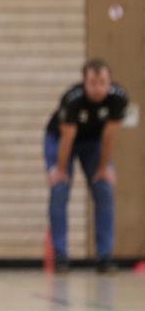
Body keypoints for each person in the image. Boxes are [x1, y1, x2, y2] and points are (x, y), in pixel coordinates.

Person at [44, 59, 128, 273]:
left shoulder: (118, 98)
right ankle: (61, 256)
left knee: (104, 188)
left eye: (103, 82)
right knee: (60, 189)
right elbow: (67, 139)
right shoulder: (72, 99)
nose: (98, 88)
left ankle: (104, 257)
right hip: (60, 140)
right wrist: (60, 170)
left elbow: (109, 136)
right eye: (93, 82)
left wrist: (103, 168)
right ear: (84, 82)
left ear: (109, 82)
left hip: (94, 142)